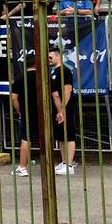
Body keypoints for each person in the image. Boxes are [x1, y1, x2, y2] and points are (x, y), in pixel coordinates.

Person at [49, 48, 78, 176]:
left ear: (58, 57)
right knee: (61, 135)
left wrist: (62, 110)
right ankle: (64, 161)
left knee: (69, 134)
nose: (48, 60)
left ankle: (69, 164)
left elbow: (68, 90)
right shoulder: (54, 72)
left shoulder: (65, 71)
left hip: (66, 108)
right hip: (57, 109)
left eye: (50, 57)